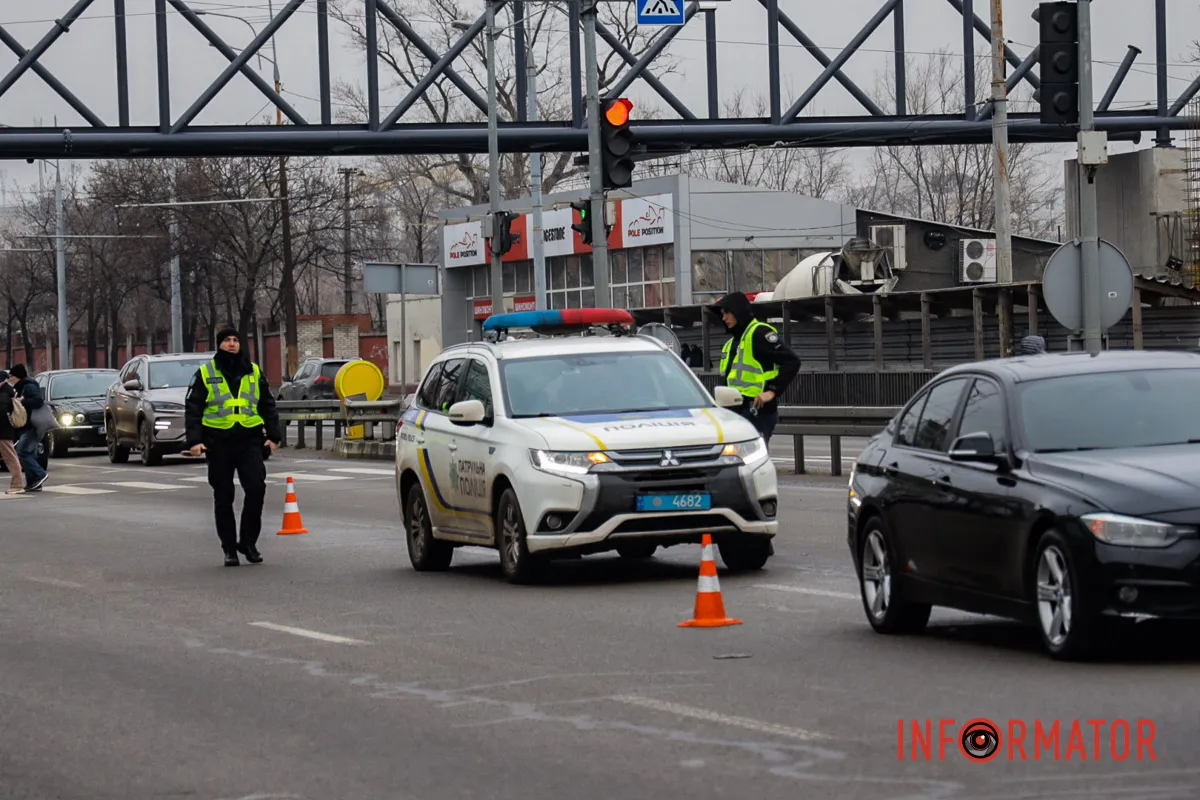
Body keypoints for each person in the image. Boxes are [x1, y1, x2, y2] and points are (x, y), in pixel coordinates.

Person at [184, 327, 282, 567]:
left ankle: (248, 542)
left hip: (249, 440)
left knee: (256, 488)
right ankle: (229, 548)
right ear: (219, 344)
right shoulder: (206, 373)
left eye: (236, 340)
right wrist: (195, 441)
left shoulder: (253, 371)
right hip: (218, 442)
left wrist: (274, 437)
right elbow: (193, 408)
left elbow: (267, 405)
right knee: (224, 495)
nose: (232, 344)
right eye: (227, 340)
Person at [709, 291, 801, 445]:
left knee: (754, 463)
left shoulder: (759, 333)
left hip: (756, 412)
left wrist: (772, 391)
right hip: (733, 414)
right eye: (722, 314)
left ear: (738, 312)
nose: (723, 318)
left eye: (727, 313)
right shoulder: (732, 343)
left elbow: (792, 362)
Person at [7, 364, 47, 492]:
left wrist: (22, 401)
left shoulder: (29, 385)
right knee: (29, 454)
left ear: (18, 376)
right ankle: (34, 483)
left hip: (31, 425)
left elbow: (38, 401)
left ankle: (40, 474)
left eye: (12, 376)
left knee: (22, 452)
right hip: (26, 425)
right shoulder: (21, 385)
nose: (10, 378)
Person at [0, 369, 25, 494]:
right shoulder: (6, 393)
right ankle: (17, 484)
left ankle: (17, 485)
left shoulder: (4, 395)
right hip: (4, 431)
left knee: (10, 457)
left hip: (3, 431)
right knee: (10, 456)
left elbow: (2, 415)